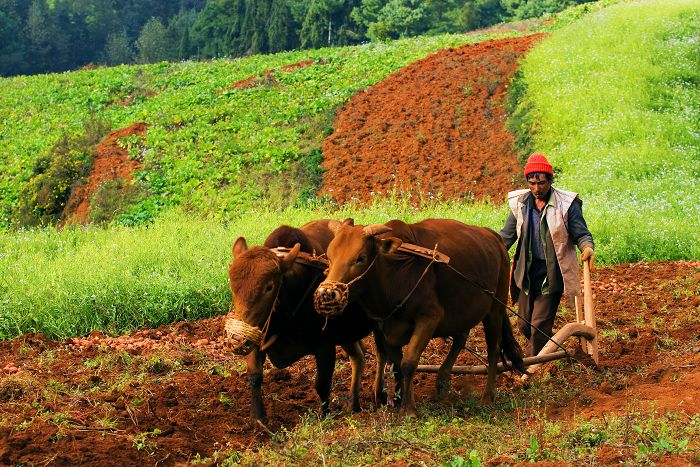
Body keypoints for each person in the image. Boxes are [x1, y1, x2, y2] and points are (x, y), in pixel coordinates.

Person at [500, 152, 594, 357]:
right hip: (526, 271)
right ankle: (555, 348)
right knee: (524, 325)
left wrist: (587, 247)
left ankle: (530, 369)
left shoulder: (566, 204)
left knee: (539, 326)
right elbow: (506, 236)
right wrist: (490, 251)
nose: (536, 188)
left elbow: (581, 233)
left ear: (550, 180)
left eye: (541, 183)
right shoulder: (521, 203)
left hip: (551, 272)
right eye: (532, 183)